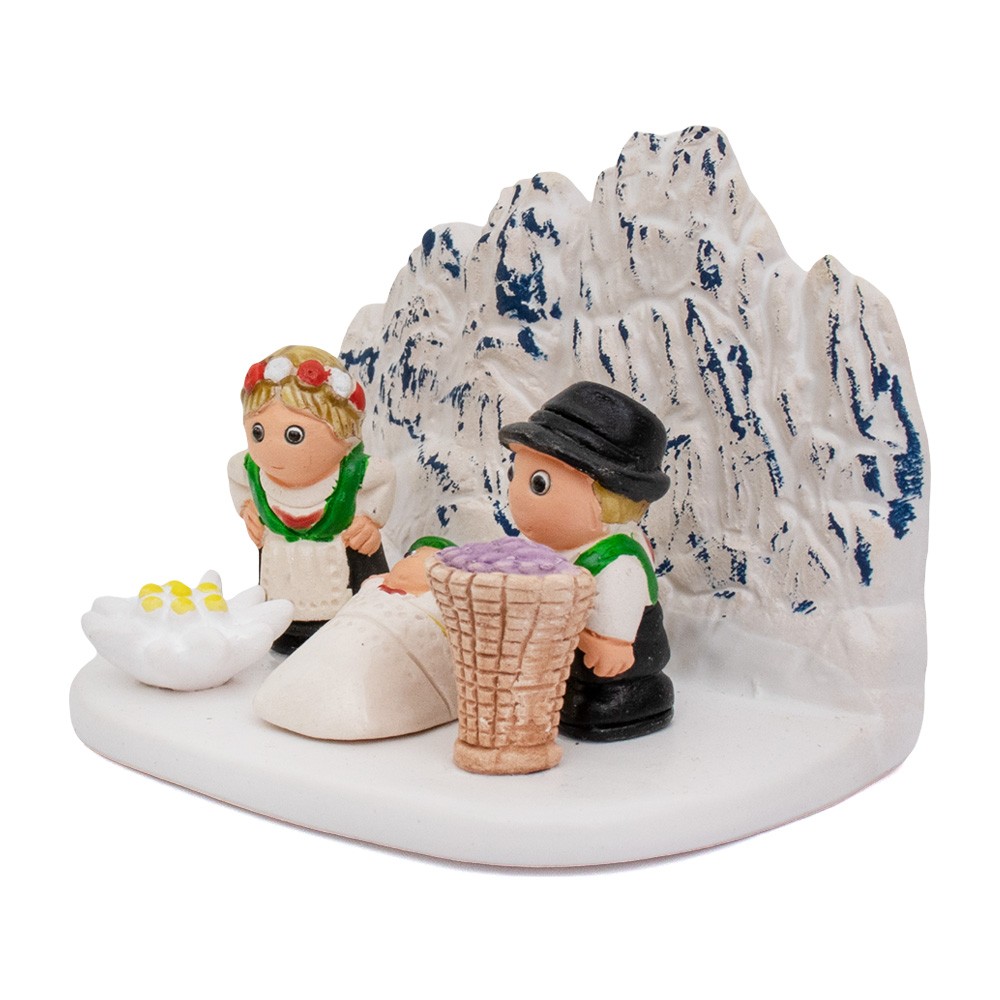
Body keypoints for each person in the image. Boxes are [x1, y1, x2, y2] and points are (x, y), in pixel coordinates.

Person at [498, 381, 673, 741]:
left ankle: (618, 700)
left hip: (618, 666)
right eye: (515, 475)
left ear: (608, 499)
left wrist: (609, 643)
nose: (517, 495)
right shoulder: (545, 545)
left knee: (594, 684)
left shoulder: (616, 561)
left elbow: (616, 618)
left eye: (539, 484)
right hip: (559, 653)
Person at [229, 345, 394, 653]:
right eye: (258, 432)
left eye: (294, 435)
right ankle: (284, 629)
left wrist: (371, 519)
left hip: (343, 569)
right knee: (280, 607)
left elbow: (384, 477)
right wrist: (246, 506)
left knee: (357, 619)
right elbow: (234, 473)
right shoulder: (252, 470)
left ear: (343, 435)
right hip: (281, 569)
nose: (271, 450)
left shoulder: (354, 472)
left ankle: (350, 636)